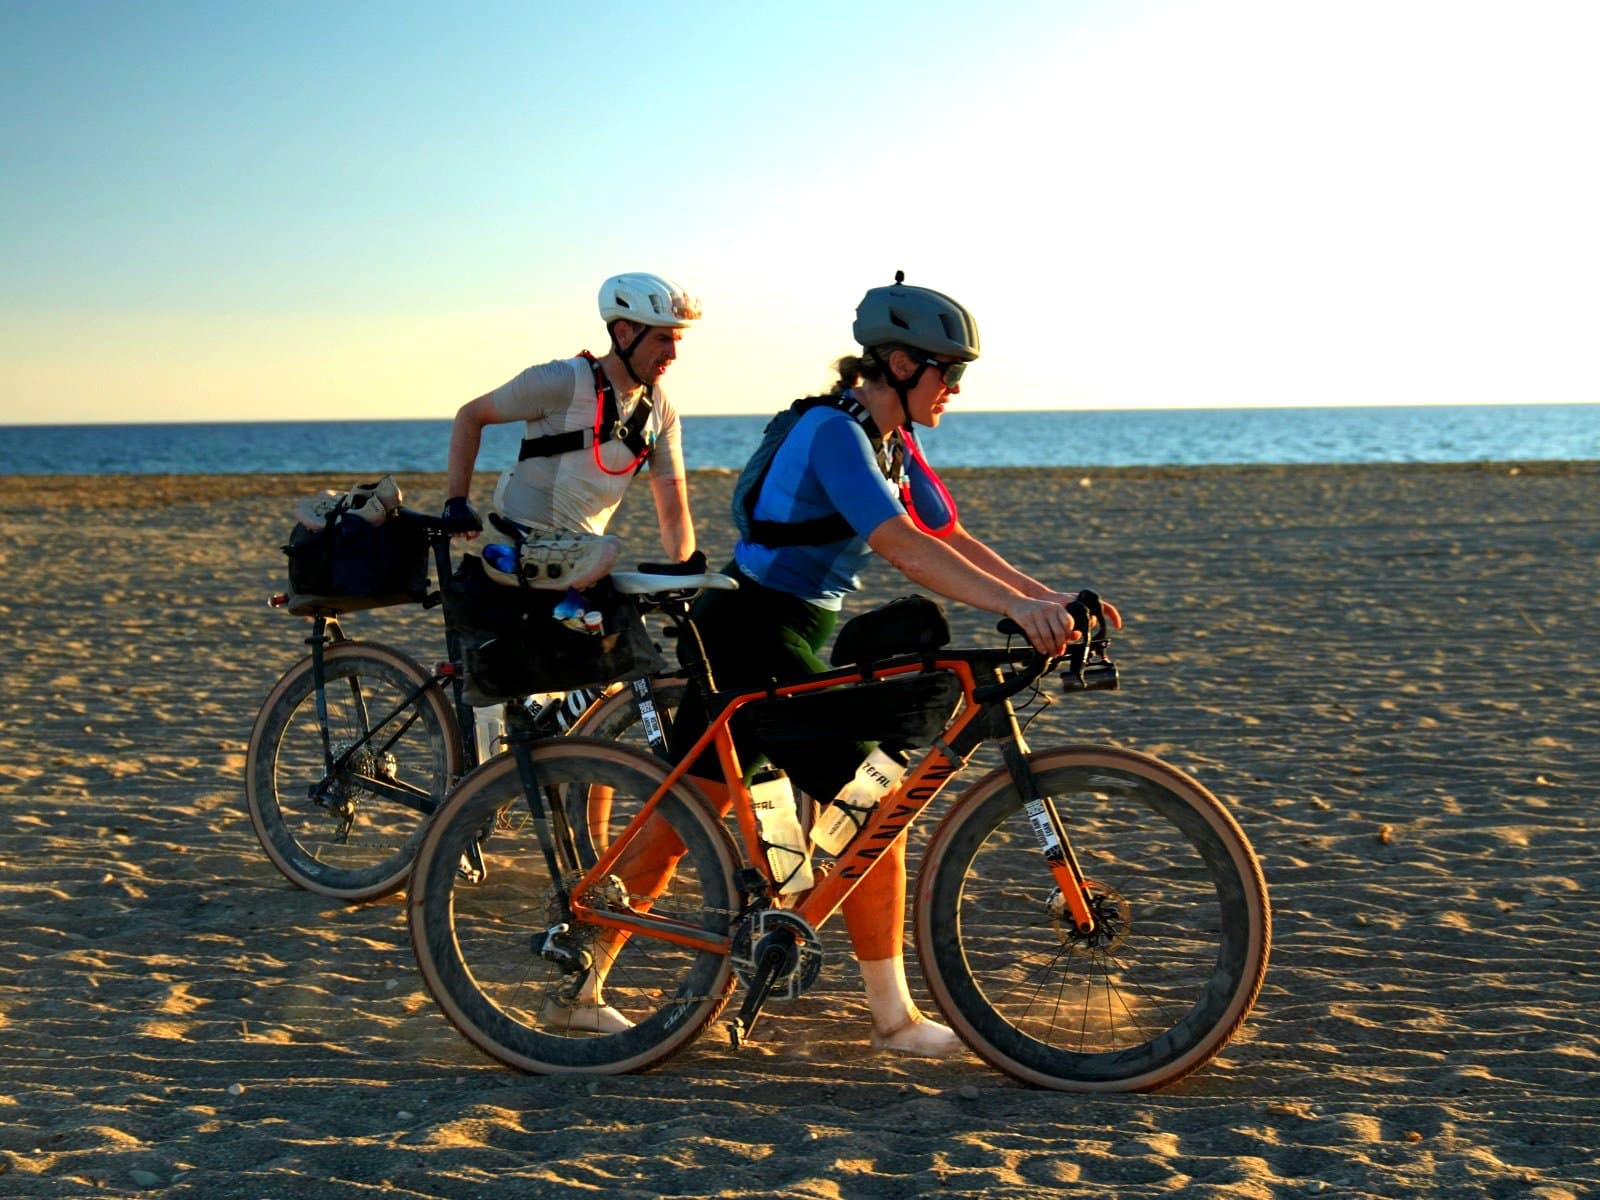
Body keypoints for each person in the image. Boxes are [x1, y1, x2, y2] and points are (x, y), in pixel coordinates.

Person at [594, 275, 1122, 1055]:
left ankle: (588, 983)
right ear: (903, 365)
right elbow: (901, 547)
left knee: (691, 826)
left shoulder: (890, 442)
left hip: (790, 635)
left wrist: (1050, 598)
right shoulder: (833, 433)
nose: (956, 389)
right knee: (876, 806)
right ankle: (892, 1020)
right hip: (748, 632)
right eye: (951, 372)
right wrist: (1016, 611)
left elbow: (948, 536)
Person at [439, 271, 703, 577]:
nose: (673, 353)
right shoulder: (560, 380)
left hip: (584, 557)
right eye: (662, 338)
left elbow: (673, 513)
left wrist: (685, 566)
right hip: (520, 547)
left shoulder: (662, 409)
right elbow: (470, 416)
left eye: (677, 339)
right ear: (623, 333)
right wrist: (456, 501)